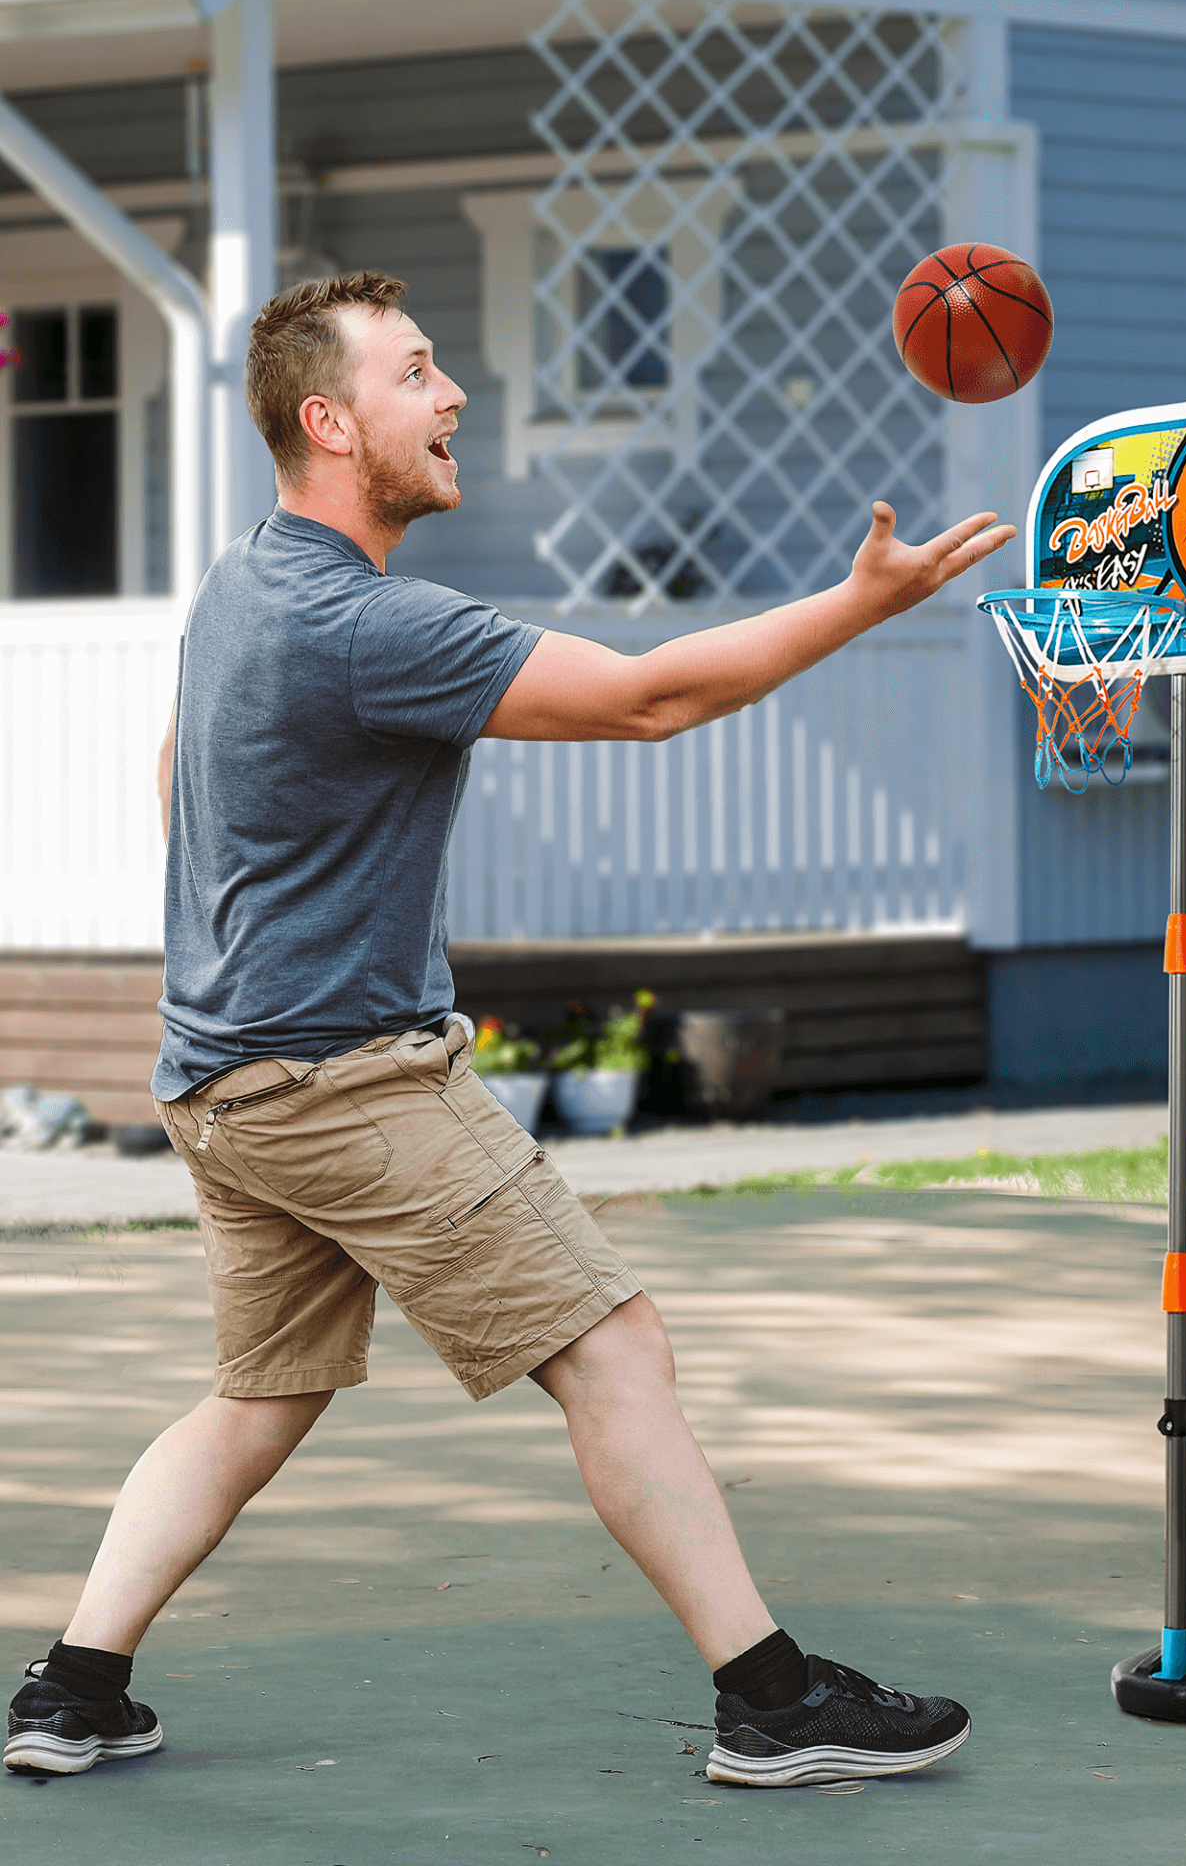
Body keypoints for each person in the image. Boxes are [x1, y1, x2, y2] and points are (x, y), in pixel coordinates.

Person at [4, 271, 1013, 1788]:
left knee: (258, 1398)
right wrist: (860, 605)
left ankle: (71, 1690)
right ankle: (773, 1701)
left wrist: (266, 930)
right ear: (331, 420)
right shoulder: (362, 623)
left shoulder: (240, 583)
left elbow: (175, 776)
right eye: (417, 373)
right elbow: (649, 701)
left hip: (222, 1079)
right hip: (344, 1082)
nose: (453, 393)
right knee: (616, 1346)